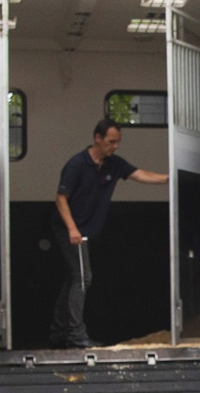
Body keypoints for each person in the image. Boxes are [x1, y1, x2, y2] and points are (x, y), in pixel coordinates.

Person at [50, 118, 167, 348]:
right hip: (71, 228)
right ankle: (75, 334)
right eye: (111, 142)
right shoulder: (77, 164)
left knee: (74, 277)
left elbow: (139, 174)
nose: (115, 146)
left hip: (83, 229)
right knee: (83, 278)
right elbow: (60, 198)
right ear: (98, 138)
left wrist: (168, 178)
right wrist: (73, 229)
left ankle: (59, 331)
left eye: (117, 142)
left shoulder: (113, 164)